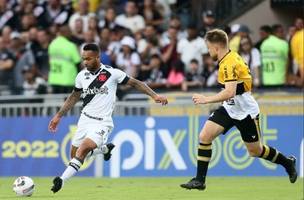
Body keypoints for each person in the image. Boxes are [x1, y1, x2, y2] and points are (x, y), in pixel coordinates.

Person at [180, 29, 297, 191]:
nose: (208, 52)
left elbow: (229, 92)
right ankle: (200, 180)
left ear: (216, 48)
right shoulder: (229, 57)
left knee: (255, 151)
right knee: (205, 136)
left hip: (245, 111)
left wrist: (205, 99)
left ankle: (287, 162)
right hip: (230, 107)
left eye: (208, 48)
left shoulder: (228, 63)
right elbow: (232, 93)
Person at [49, 43, 168, 193]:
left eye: (89, 59)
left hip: (102, 123)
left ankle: (61, 180)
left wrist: (155, 95)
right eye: (83, 59)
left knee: (82, 150)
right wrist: (58, 116)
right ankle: (104, 150)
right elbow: (74, 96)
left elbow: (136, 83)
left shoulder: (112, 73)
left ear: (98, 57)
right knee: (74, 156)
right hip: (85, 120)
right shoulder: (81, 76)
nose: (85, 62)